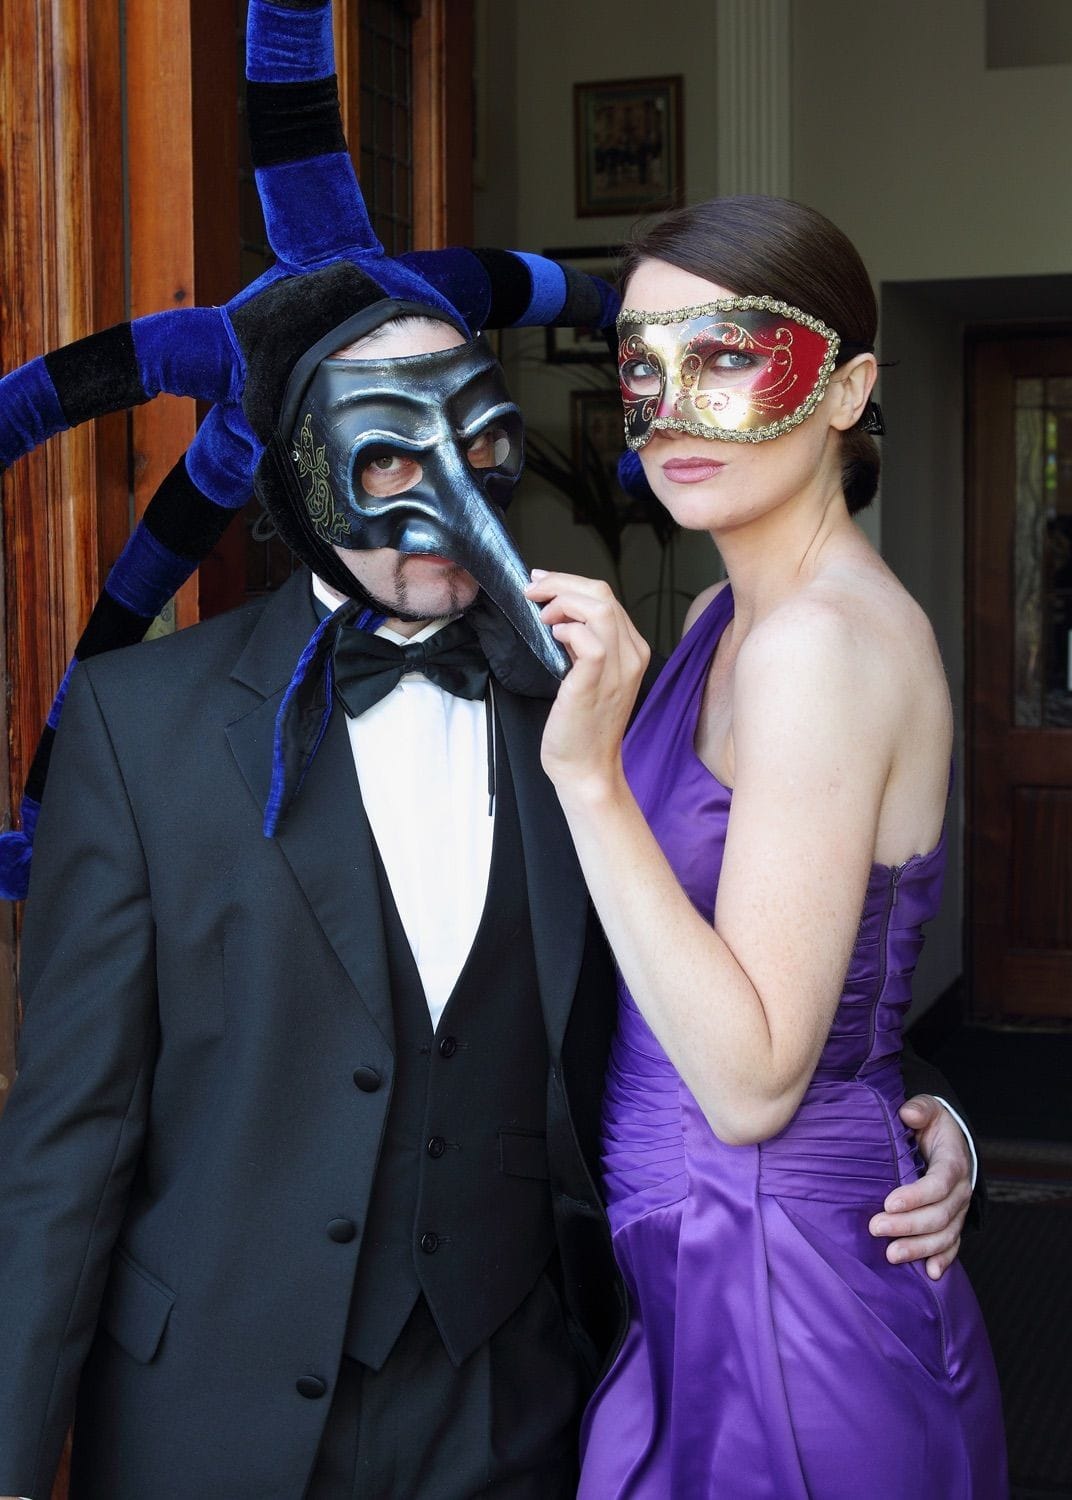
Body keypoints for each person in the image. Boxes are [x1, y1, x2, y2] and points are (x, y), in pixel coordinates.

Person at [0, 6, 981, 1491]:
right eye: (388, 457)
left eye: (477, 445)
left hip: (532, 1396)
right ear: (296, 477)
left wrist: (907, 1116)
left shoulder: (585, 700)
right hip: (213, 1423)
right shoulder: (143, 731)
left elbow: (752, 999)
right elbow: (63, 1150)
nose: (445, 501)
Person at [526, 195, 1006, 1499]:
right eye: (642, 364)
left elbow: (749, 1087)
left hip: (778, 1294)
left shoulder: (817, 648)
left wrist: (587, 779)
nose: (672, 403)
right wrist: (922, 1118)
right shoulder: (723, 627)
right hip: (711, 1262)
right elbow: (817, 976)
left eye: (727, 354)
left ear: (847, 386)